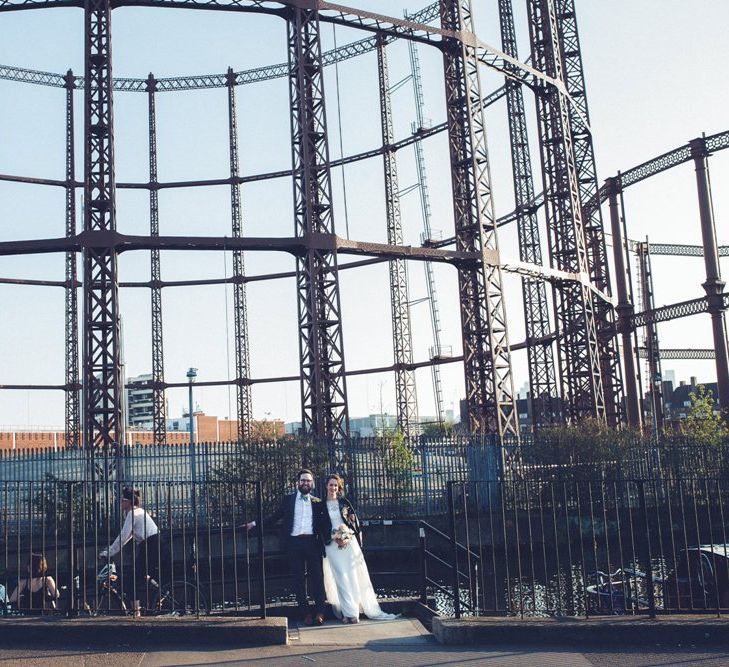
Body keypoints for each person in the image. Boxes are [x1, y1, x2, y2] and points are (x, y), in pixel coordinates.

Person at [246, 469, 326, 625]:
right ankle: (306, 613)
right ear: (298, 482)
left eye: (308, 481)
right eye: (303, 480)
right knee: (298, 580)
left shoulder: (317, 502)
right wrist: (254, 524)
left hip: (312, 543)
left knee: (317, 578)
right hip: (294, 544)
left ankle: (320, 612)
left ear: (312, 483)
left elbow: (330, 515)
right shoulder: (288, 500)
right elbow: (274, 517)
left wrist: (348, 514)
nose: (305, 483)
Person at [319, 474, 398, 623]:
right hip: (331, 545)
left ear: (339, 487)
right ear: (326, 486)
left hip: (348, 543)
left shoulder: (345, 502)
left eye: (336, 485)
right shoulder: (321, 505)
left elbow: (355, 524)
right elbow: (320, 527)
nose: (333, 487)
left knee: (352, 576)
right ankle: (347, 612)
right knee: (340, 577)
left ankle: (353, 614)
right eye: (331, 484)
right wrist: (333, 538)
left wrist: (347, 535)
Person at [99, 487, 161, 610]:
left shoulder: (132, 513)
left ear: (128, 501)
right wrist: (110, 550)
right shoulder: (139, 511)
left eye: (122, 500)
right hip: (154, 544)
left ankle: (136, 612)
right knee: (140, 575)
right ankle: (155, 593)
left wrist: (108, 553)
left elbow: (123, 536)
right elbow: (127, 537)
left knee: (132, 579)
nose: (120, 503)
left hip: (150, 545)